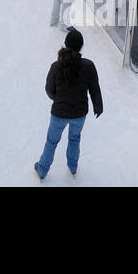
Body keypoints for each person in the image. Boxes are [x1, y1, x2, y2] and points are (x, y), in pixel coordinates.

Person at [35, 29, 103, 179]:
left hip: (59, 113)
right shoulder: (89, 66)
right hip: (79, 114)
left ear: (65, 45)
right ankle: (73, 166)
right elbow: (94, 88)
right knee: (74, 139)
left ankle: (42, 169)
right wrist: (98, 106)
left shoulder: (56, 66)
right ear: (80, 46)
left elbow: (49, 89)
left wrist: (57, 99)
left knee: (52, 141)